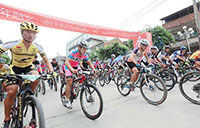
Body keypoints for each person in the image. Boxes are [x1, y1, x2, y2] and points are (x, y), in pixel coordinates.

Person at [0, 21, 53, 128]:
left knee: (36, 75)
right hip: (14, 69)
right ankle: (6, 118)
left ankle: (29, 96)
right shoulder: (14, 43)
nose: (31, 35)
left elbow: (46, 60)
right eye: (28, 32)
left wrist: (51, 72)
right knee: (13, 90)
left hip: (28, 67)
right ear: (22, 32)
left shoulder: (37, 47)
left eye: (34, 33)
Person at [64, 41, 96, 109]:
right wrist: (71, 69)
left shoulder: (85, 55)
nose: (85, 50)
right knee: (69, 81)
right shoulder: (73, 52)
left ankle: (76, 87)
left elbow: (89, 63)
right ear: (79, 47)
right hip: (68, 66)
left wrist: (94, 69)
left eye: (86, 49)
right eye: (84, 48)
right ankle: (67, 100)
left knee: (83, 76)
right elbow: (66, 62)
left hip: (76, 66)